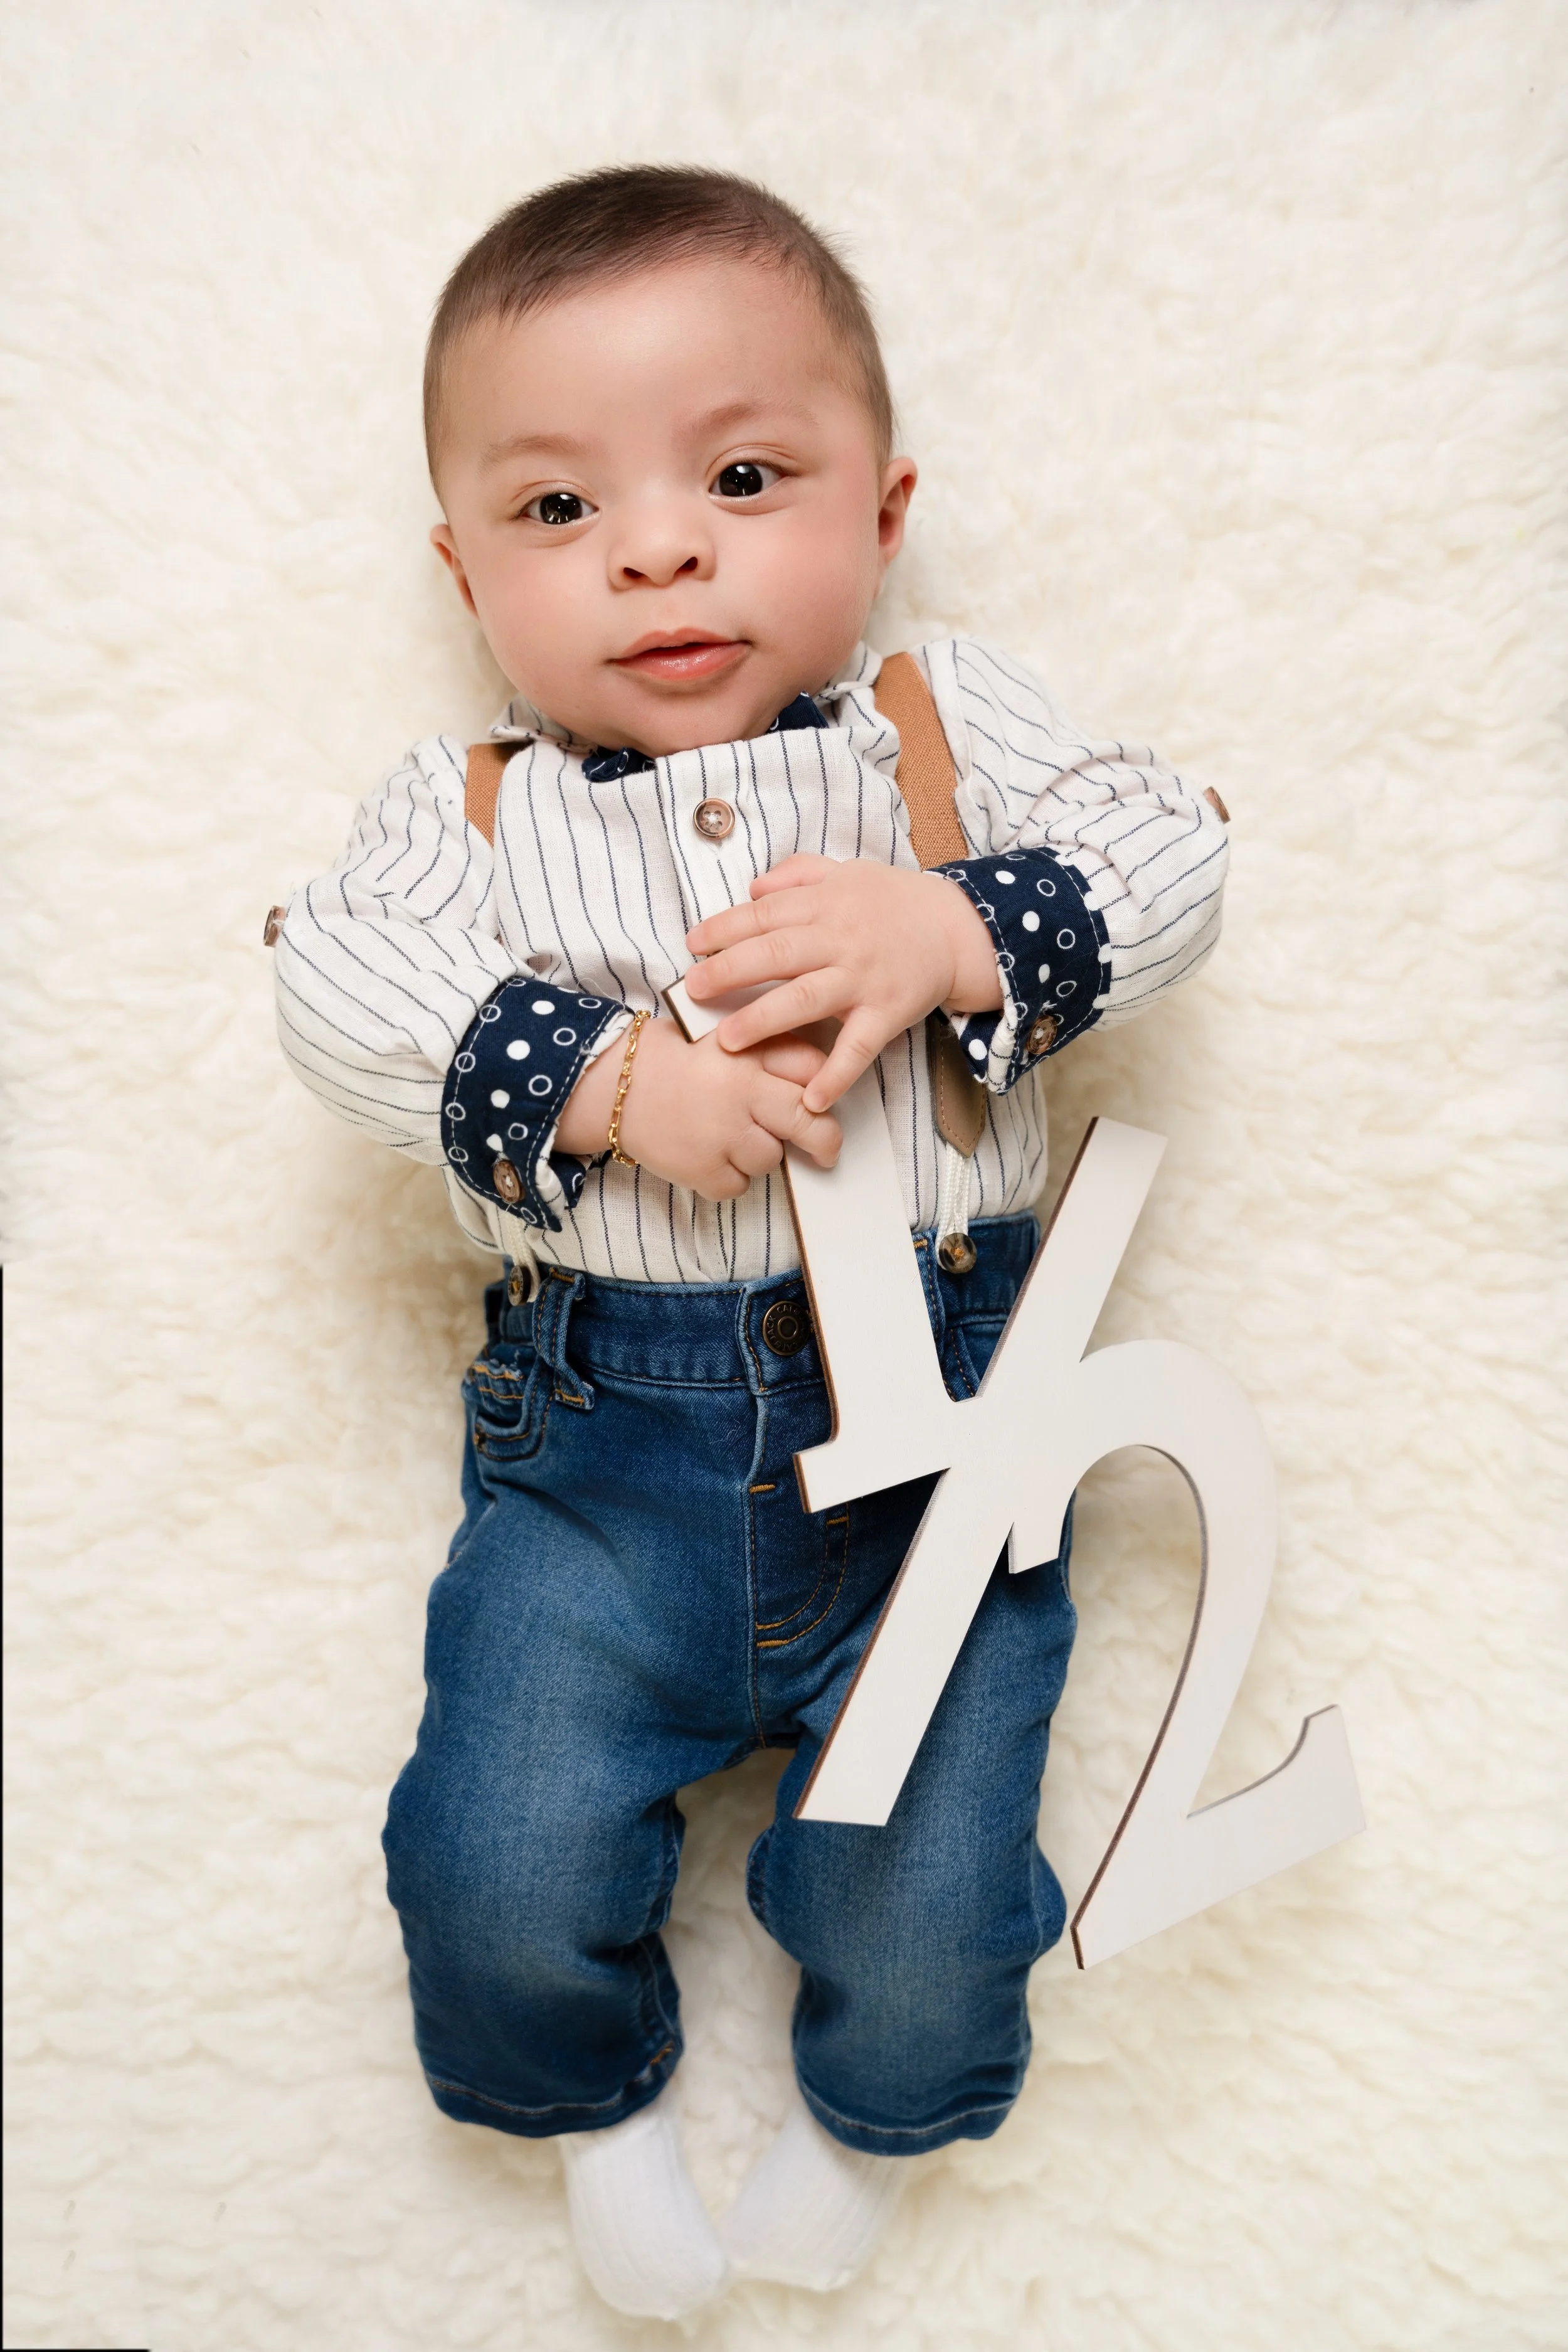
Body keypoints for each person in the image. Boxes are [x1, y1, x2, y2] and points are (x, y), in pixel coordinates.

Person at [274, 165, 1228, 2319]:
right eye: (554, 512)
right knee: (490, 1859)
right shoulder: (474, 812)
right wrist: (612, 1089)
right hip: (601, 1455)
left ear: (879, 511)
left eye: (739, 473)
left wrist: (958, 921)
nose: (657, 546)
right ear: (464, 575)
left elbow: (1174, 846)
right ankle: (593, 2101)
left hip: (945, 1461)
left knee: (930, 1896)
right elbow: (336, 982)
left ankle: (874, 2119)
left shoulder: (944, 729)